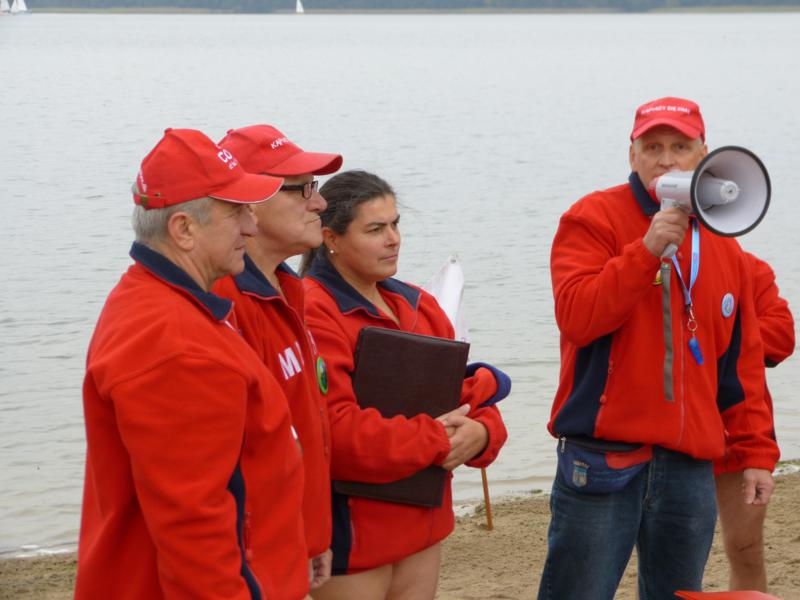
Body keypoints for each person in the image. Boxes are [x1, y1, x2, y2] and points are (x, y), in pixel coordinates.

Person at [538, 97, 780, 600]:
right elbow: (578, 318)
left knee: (678, 593)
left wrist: (756, 451)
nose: (666, 160)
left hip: (689, 466)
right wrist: (645, 251)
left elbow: (740, 369)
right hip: (604, 458)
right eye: (652, 147)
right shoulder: (591, 218)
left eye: (679, 146)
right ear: (632, 155)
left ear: (704, 154)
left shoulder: (725, 244)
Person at [75, 128, 310, 600]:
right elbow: (194, 530)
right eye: (236, 211)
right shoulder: (176, 347)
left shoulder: (155, 299)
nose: (251, 226)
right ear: (183, 229)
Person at [299, 170, 510, 600]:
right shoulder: (312, 308)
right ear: (330, 238)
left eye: (395, 224)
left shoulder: (418, 303)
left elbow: (464, 394)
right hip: (354, 533)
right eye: (375, 229)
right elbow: (336, 433)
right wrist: (439, 439)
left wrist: (483, 432)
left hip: (422, 523)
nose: (393, 239)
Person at [213, 124, 343, 590]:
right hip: (253, 558)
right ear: (249, 202)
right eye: (302, 189)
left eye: (316, 187)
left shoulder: (289, 289)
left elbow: (305, 425)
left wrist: (313, 536)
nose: (320, 203)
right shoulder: (224, 302)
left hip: (291, 543)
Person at [715, 251, 794, 592]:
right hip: (670, 433)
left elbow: (782, 336)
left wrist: (720, 332)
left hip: (742, 429)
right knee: (666, 556)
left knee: (746, 548)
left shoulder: (749, 267)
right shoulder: (661, 264)